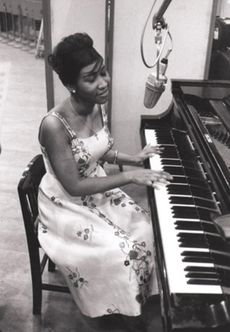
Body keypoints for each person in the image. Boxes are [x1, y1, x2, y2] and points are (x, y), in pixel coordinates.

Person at [38, 32, 172, 331]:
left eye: (103, 72)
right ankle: (120, 311)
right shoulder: (54, 124)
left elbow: (100, 149)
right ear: (71, 84)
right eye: (91, 78)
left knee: (149, 229)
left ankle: (136, 298)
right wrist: (128, 175)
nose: (103, 83)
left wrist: (135, 158)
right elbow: (73, 185)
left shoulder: (96, 104)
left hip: (95, 186)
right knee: (120, 250)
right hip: (65, 202)